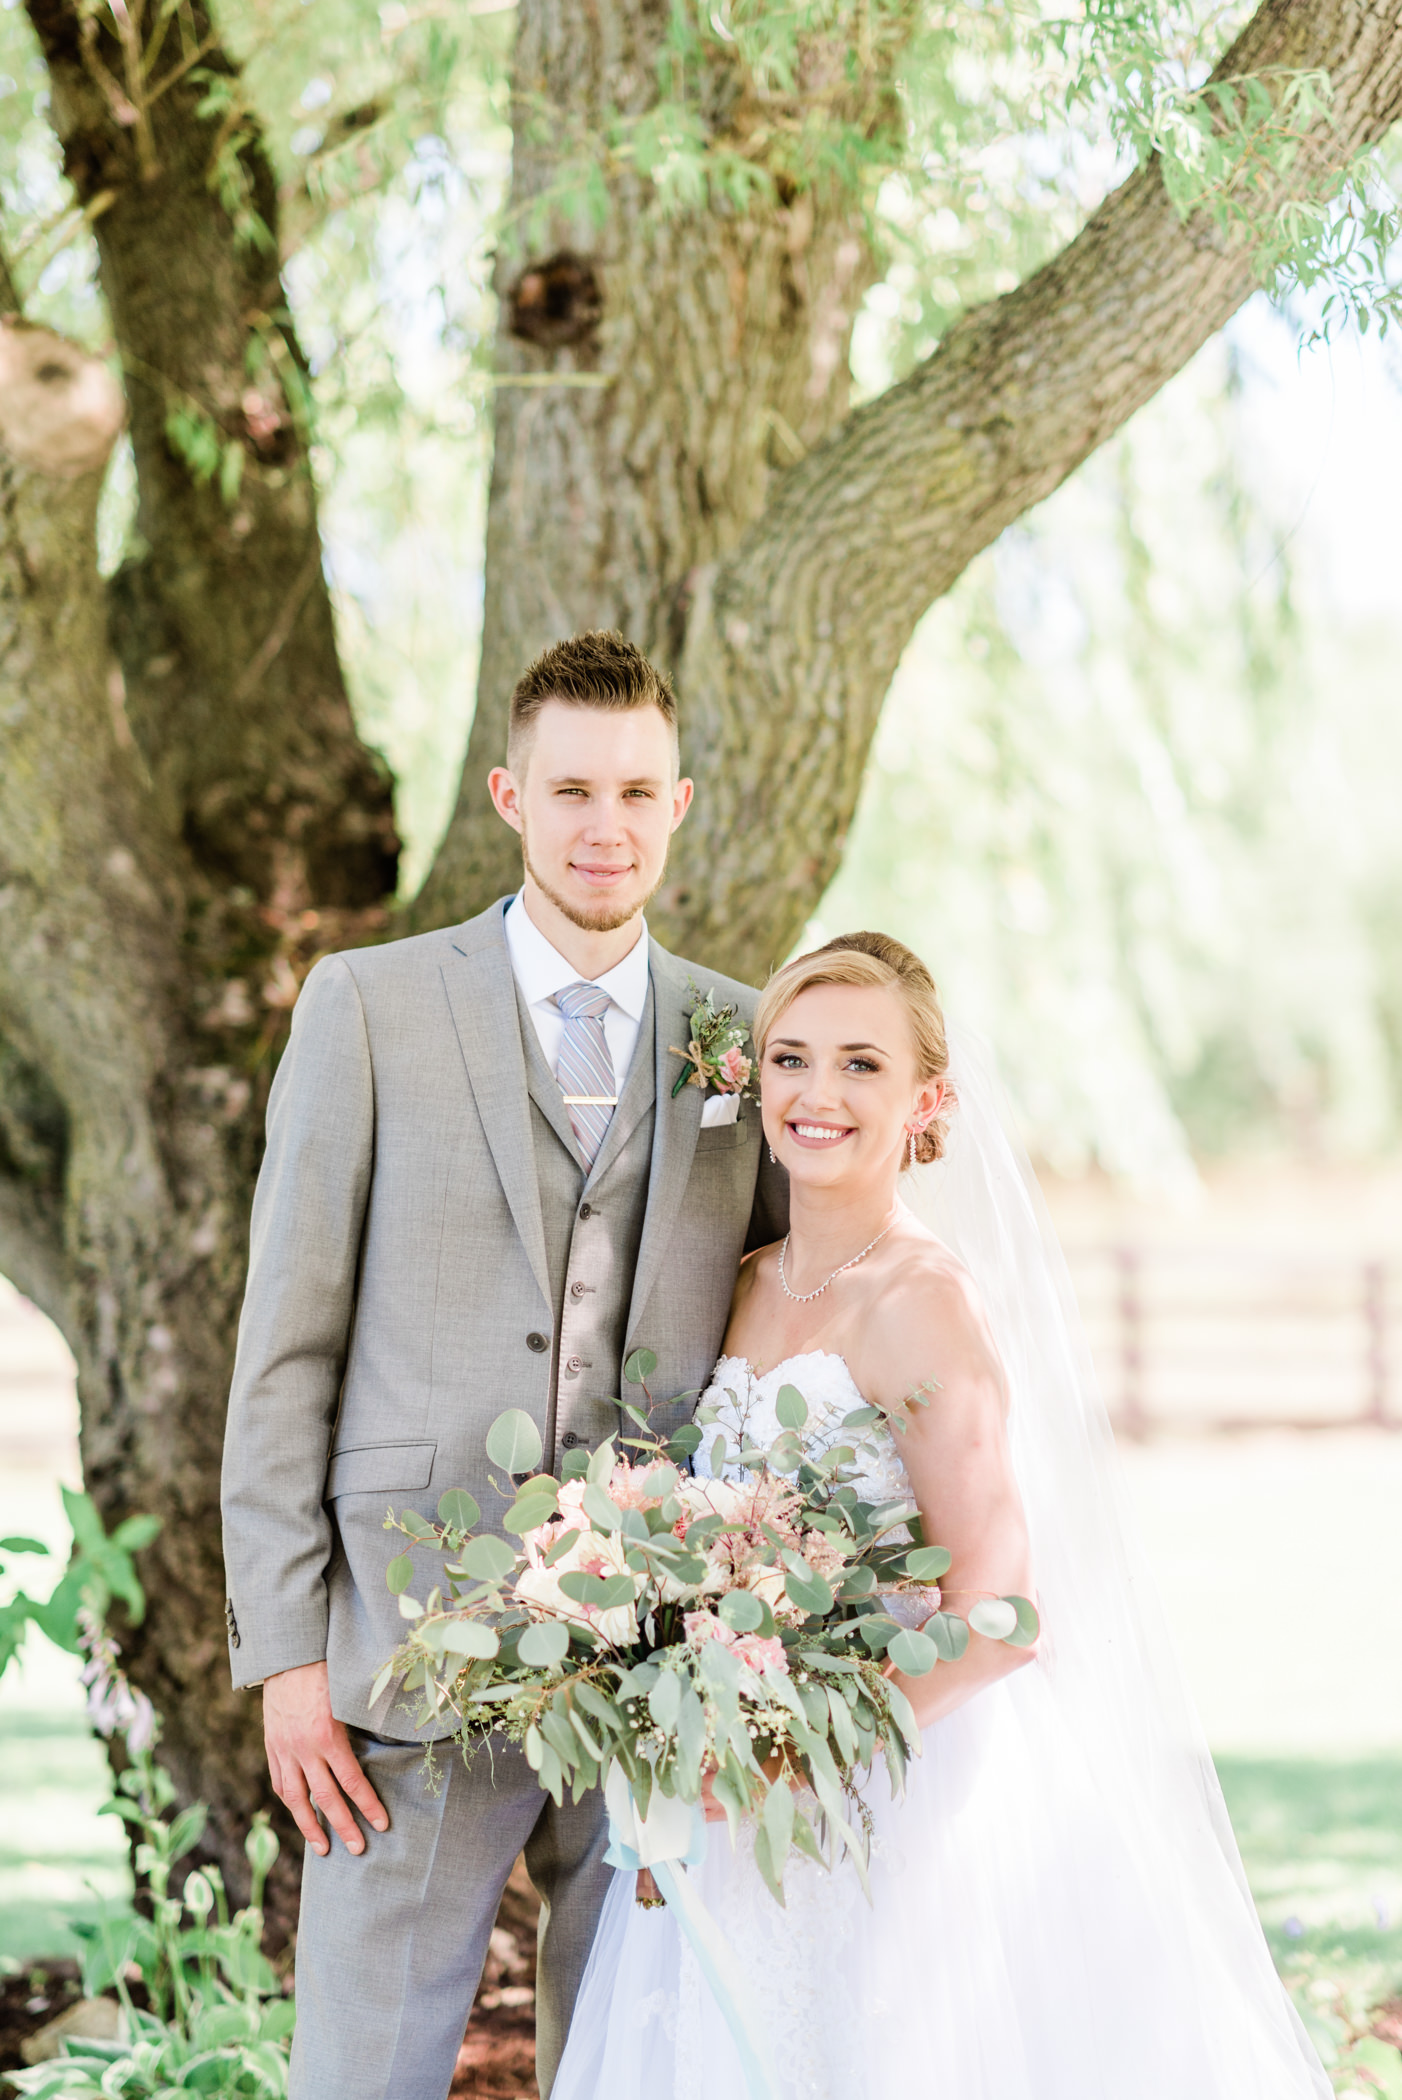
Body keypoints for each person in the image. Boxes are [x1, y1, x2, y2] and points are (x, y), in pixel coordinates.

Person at [551, 932, 1331, 2100]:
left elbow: (1007, 1612)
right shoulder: (749, 1279)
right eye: (791, 1059)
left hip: (891, 1801)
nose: (818, 1095)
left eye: (861, 1065)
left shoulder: (923, 1302)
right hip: (732, 1801)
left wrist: (799, 1754)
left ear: (928, 1100)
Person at [219, 631, 787, 2100]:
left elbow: (796, 1299)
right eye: (572, 789)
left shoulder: (740, 1037)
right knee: (364, 2070)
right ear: (508, 797)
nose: (606, 825)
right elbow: (286, 1347)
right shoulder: (370, 1007)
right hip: (408, 1643)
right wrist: (287, 1657)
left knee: (636, 2061)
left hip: (659, 1653)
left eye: (636, 792)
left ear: (679, 806)